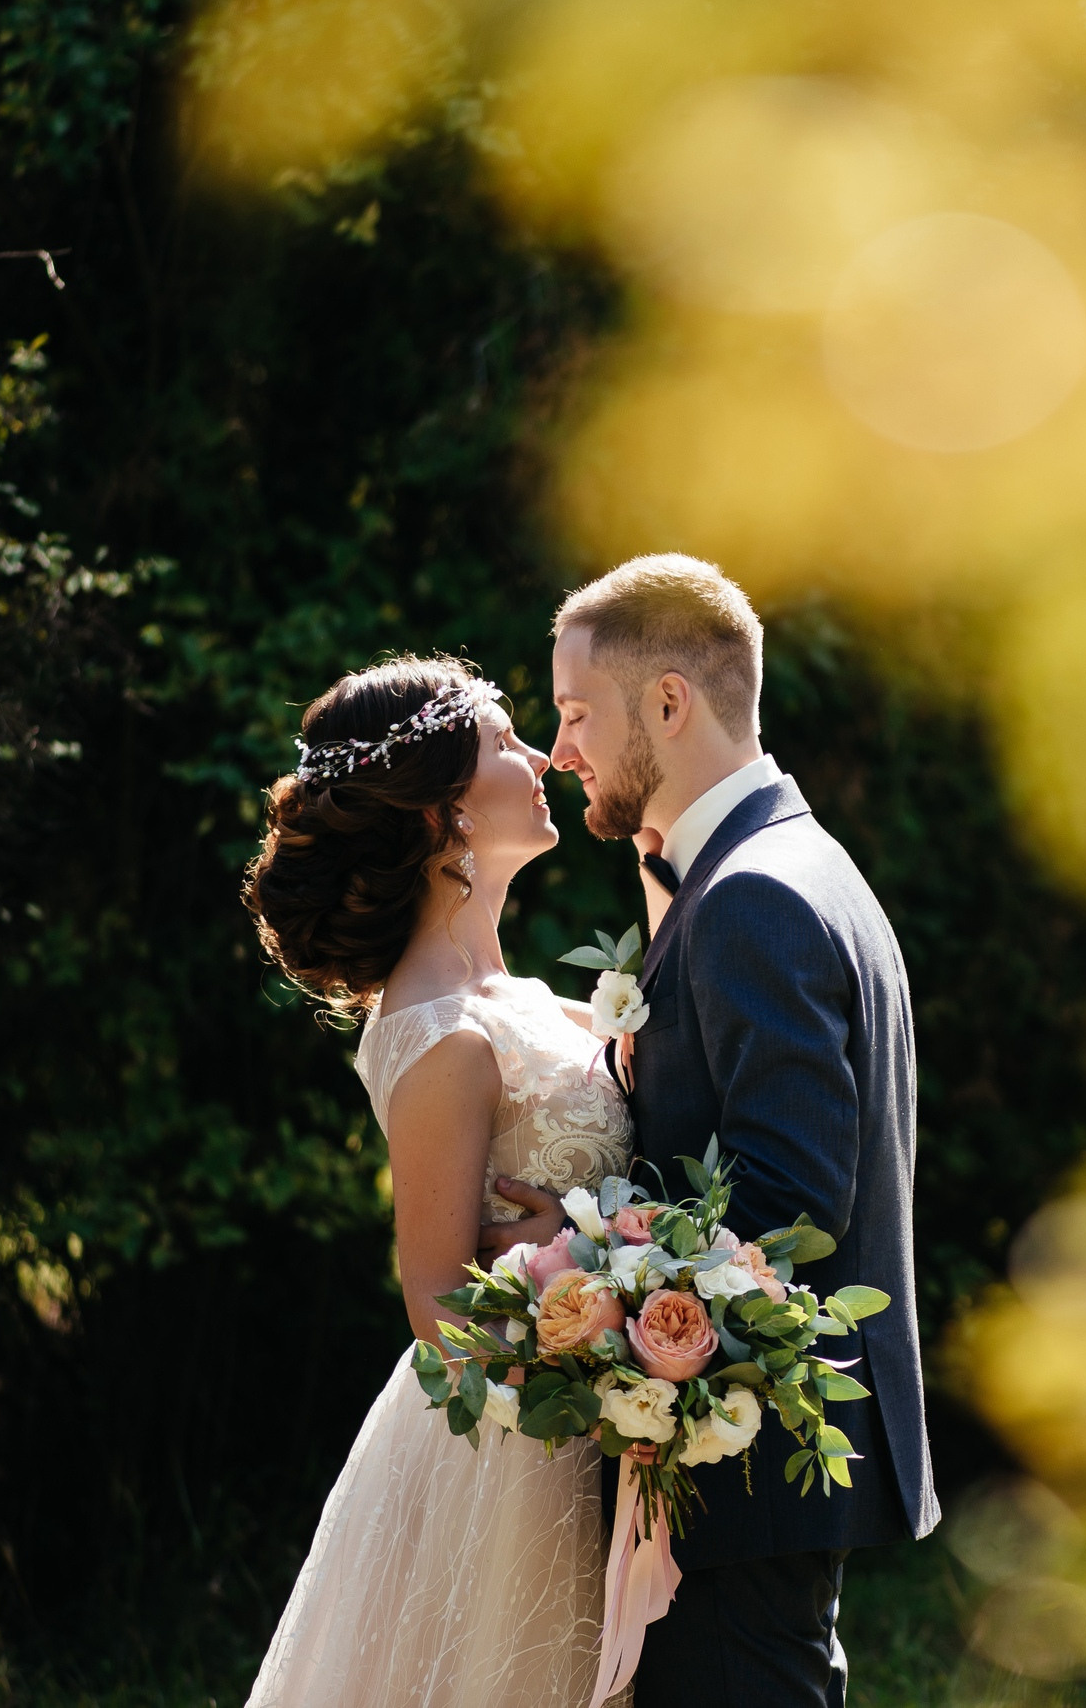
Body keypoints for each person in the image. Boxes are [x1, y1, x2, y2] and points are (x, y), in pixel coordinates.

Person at [534, 554, 941, 1707]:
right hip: (749, 1469)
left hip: (749, 1464)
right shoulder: (774, 865)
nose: (562, 753)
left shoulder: (755, 894)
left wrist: (573, 1248)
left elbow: (788, 1205)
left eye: (576, 715)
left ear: (669, 702)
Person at [239, 654, 632, 1708]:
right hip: (516, 1457)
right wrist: (605, 1279)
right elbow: (439, 1308)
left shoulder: (508, 993)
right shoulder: (442, 1036)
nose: (542, 754)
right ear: (439, 814)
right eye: (507, 742)